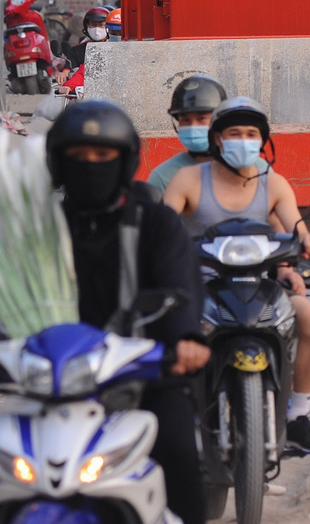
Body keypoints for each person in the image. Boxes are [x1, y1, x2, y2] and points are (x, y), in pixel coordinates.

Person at [46, 101, 211, 524]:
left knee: (176, 446)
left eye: (103, 156)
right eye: (78, 157)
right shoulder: (42, 229)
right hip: (50, 383)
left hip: (144, 375)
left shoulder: (157, 223)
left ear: (125, 161)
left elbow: (180, 285)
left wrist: (185, 339)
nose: (90, 166)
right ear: (58, 163)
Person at [163, 97, 310, 454]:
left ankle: (297, 416)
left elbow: (297, 228)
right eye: (234, 133)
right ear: (218, 139)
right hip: (201, 285)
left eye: (252, 133)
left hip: (261, 284)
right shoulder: (188, 179)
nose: (243, 140)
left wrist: (309, 242)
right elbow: (161, 228)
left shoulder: (273, 183)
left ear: (262, 140)